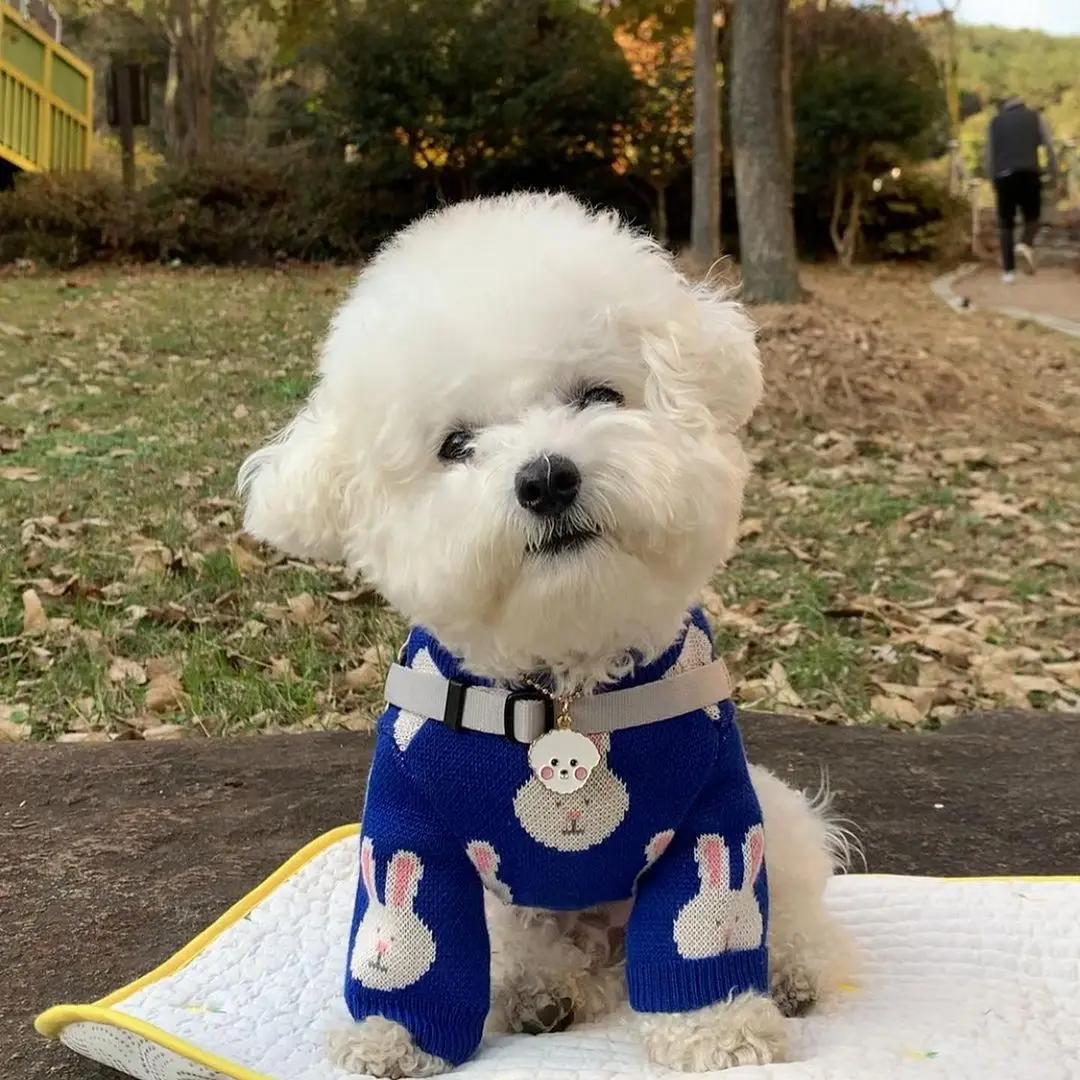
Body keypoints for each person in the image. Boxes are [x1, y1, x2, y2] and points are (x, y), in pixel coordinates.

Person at [984, 96, 1058, 282]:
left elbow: (989, 154)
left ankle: (1009, 272)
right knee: (1034, 217)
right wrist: (1053, 172)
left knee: (1006, 224)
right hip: (1029, 173)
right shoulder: (1035, 117)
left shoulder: (995, 122)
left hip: (1004, 176)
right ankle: (1025, 243)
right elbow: (1049, 147)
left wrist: (993, 179)